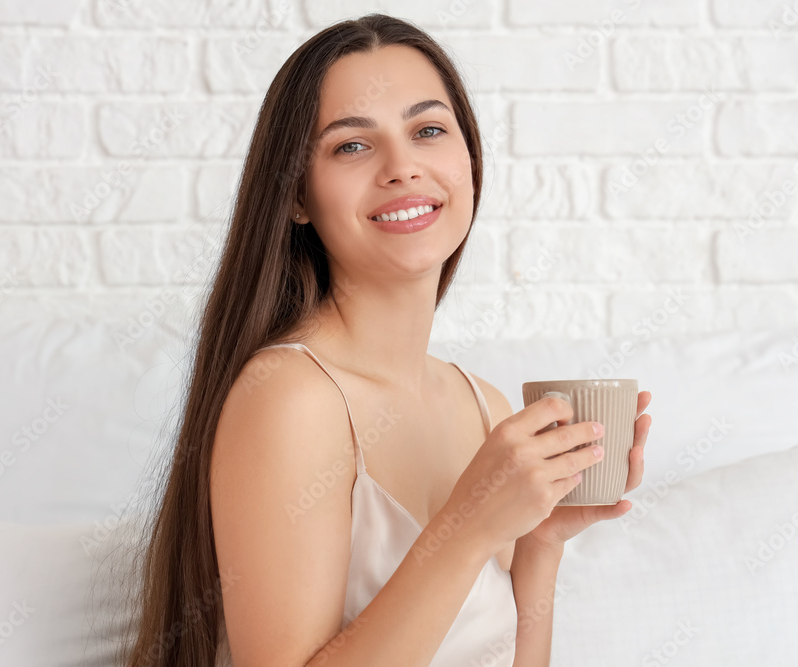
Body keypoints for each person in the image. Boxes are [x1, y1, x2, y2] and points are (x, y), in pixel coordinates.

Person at [122, 13, 652, 667]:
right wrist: (467, 525)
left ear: (470, 161)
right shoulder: (289, 397)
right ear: (297, 195)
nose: (403, 167)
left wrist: (540, 543)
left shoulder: (482, 402)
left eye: (428, 130)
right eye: (352, 145)